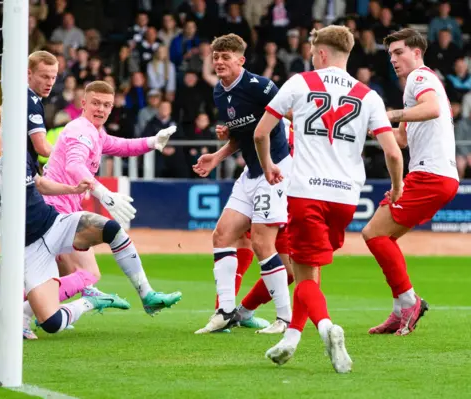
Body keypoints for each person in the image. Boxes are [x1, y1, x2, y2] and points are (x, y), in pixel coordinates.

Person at [253, 25, 404, 373]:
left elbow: (262, 132)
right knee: (313, 264)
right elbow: (393, 154)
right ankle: (291, 338)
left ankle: (326, 328)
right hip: (345, 199)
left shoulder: (299, 82)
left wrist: (268, 166)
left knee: (302, 274)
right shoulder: (368, 95)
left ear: (320, 53)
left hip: (307, 192)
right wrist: (396, 188)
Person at [0, 106, 132, 335]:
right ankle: (90, 302)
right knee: (51, 323)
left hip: (54, 224)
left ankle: (146, 291)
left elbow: (41, 184)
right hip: (29, 247)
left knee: (111, 228)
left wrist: (73, 188)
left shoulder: (19, 154)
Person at [41, 80, 183, 315]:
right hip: (55, 212)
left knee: (83, 276)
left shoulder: (96, 132)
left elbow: (121, 145)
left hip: (61, 211)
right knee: (109, 239)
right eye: (96, 103)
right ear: (83, 103)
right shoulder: (80, 130)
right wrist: (104, 193)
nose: (101, 109)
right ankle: (17, 311)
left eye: (107, 105)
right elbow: (75, 165)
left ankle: (16, 312)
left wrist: (152, 142)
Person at [192, 33, 292, 334]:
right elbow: (242, 135)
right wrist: (218, 156)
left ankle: (284, 319)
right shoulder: (219, 93)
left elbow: (288, 116)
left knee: (263, 243)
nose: (220, 61)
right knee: (222, 235)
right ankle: (225, 311)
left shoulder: (260, 86)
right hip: (251, 171)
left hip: (274, 169)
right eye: (216, 57)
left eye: (226, 57)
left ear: (241, 60)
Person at [364, 28, 460, 336]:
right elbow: (402, 139)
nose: (393, 59)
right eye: (390, 54)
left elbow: (432, 109)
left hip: (430, 175)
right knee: (384, 237)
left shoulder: (420, 78)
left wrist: (389, 114)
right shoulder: (415, 87)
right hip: (436, 176)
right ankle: (399, 309)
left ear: (416, 52)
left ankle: (409, 301)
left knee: (372, 233)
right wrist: (373, 130)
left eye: (399, 52)